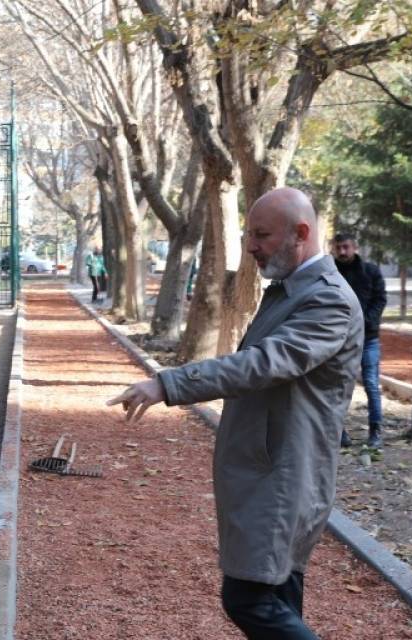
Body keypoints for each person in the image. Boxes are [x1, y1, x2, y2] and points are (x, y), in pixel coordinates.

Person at [107, 188, 362, 640]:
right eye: (249, 234)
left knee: (249, 598)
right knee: (278, 593)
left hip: (283, 475)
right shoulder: (289, 291)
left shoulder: (329, 300)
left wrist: (168, 384)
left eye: (261, 235)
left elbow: (261, 364)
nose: (250, 246)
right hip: (269, 469)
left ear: (300, 233)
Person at [333, 232, 388, 448]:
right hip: (339, 340)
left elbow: (380, 300)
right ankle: (339, 432)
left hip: (368, 339)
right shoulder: (331, 272)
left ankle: (376, 431)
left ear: (355, 247)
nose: (342, 251)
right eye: (338, 247)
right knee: (339, 385)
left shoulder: (371, 271)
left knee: (371, 384)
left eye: (346, 247)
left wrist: (364, 322)